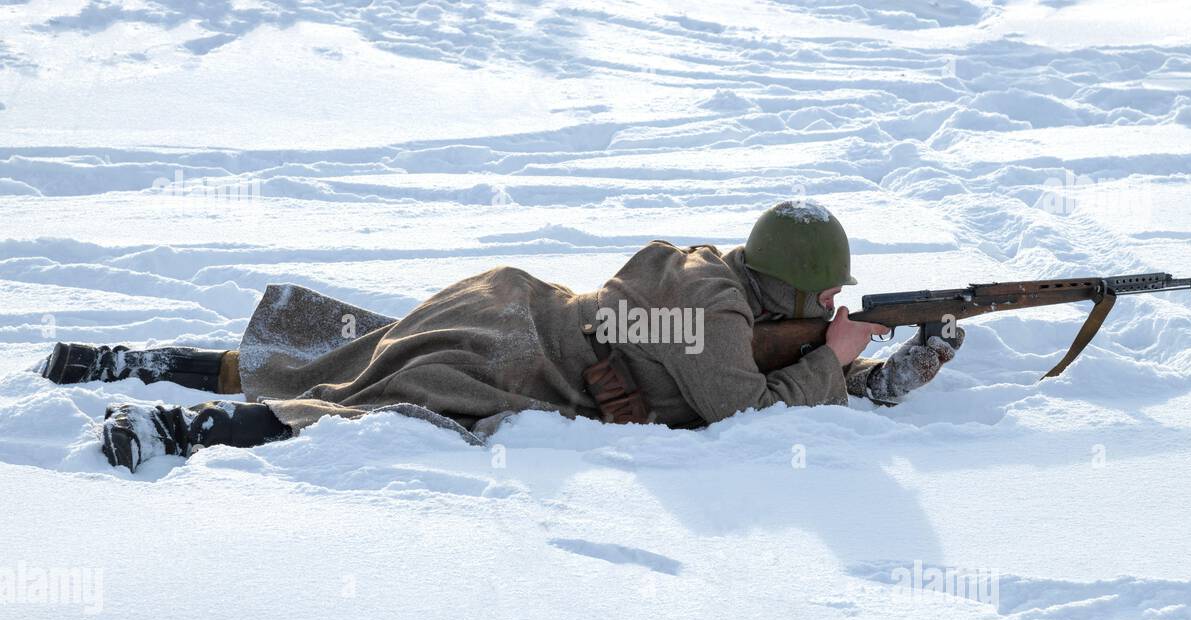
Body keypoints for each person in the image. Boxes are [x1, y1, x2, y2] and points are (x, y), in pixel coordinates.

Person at [38, 201, 962, 472]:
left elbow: (753, 360)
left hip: (504, 304)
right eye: (827, 293)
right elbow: (747, 409)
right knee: (365, 408)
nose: (833, 301)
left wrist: (874, 371)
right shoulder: (720, 317)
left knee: (337, 353)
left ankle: (127, 360)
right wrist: (837, 361)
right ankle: (170, 428)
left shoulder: (706, 272)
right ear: (797, 288)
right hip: (510, 357)